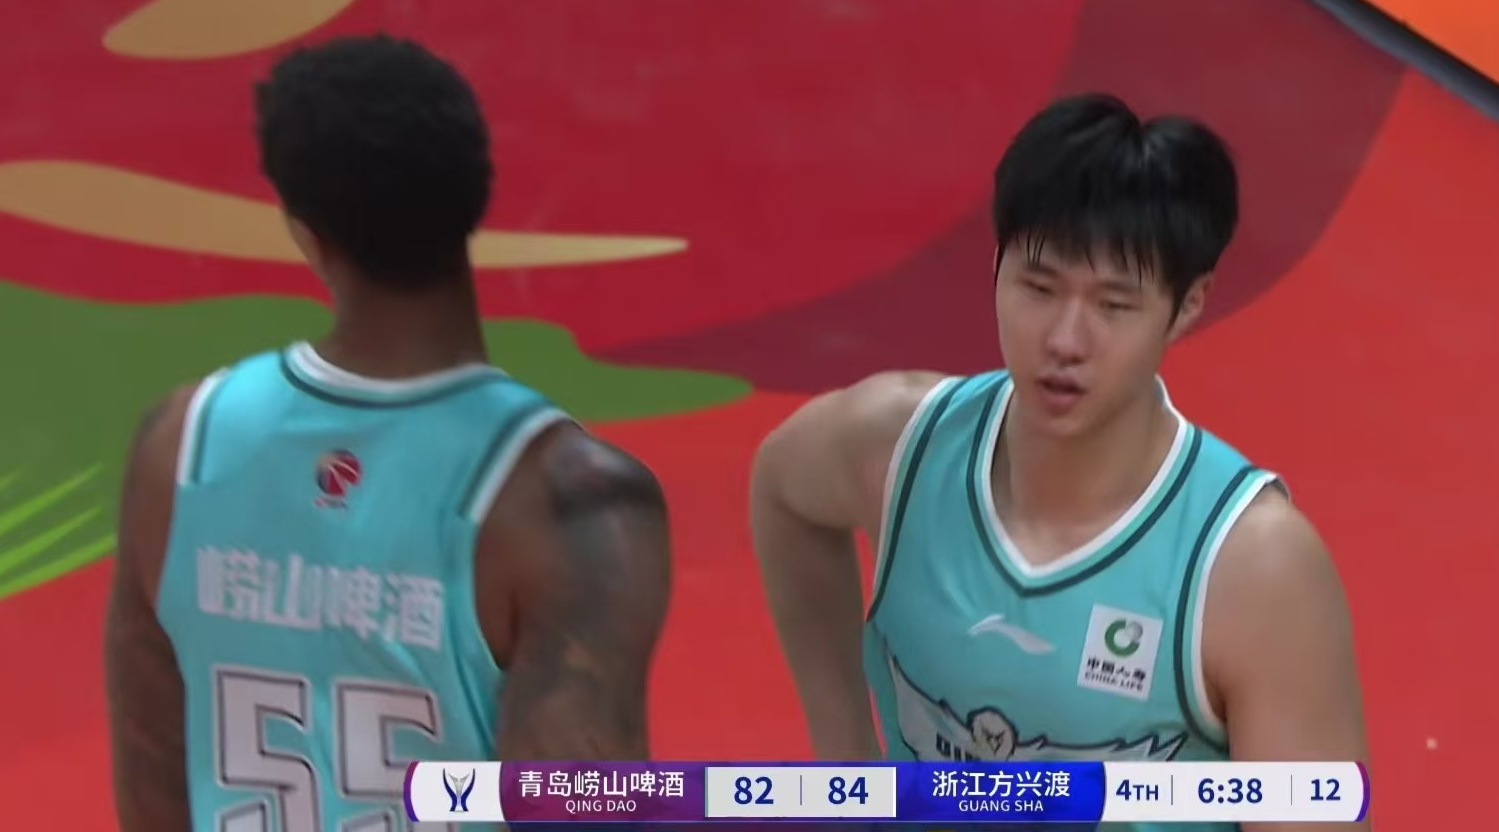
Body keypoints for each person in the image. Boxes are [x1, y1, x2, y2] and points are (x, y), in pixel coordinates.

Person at [751, 93, 1369, 831]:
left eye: (1113, 306)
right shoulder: (895, 450)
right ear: (996, 266)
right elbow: (782, 489)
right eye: (1039, 288)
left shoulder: (1252, 567)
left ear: (1187, 305)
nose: (1064, 341)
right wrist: (845, 761)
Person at [104, 35, 672, 832]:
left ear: (305, 230)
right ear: (477, 194)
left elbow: (151, 785)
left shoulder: (178, 447)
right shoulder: (569, 501)